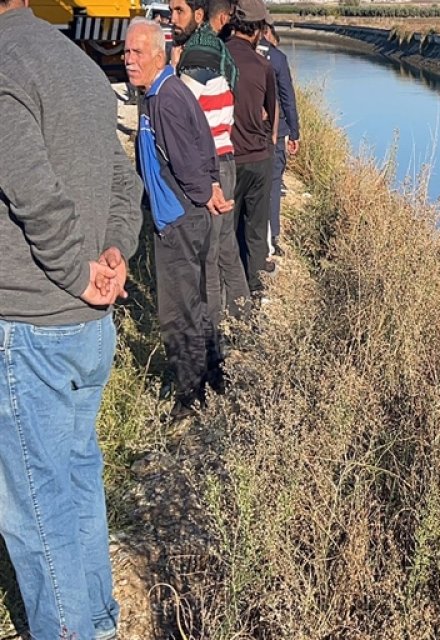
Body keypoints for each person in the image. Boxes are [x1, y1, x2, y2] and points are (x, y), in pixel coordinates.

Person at [0, 0, 142, 637]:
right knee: (77, 479)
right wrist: (115, 251)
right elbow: (123, 179)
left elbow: (32, 190)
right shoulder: (77, 63)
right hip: (87, 327)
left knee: (36, 509)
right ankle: (98, 621)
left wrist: (79, 270)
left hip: (29, 322)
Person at [125, 18, 231, 419]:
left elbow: (189, 159)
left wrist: (205, 193)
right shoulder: (162, 92)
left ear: (158, 55)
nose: (127, 59)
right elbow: (202, 146)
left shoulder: (166, 99)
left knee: (176, 310)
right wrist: (210, 189)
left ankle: (191, 394)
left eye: (136, 53)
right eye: (126, 51)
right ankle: (213, 373)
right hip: (185, 215)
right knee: (195, 301)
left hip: (179, 220)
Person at [171, 0, 250, 388]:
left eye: (178, 11)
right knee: (225, 251)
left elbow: (187, 130)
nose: (172, 19)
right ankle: (245, 328)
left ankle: (215, 352)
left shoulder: (192, 67)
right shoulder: (221, 57)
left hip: (210, 166)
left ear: (200, 15)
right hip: (227, 159)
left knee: (206, 261)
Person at [222, 0, 277, 297]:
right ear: (257, 30)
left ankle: (230, 299)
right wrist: (268, 144)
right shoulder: (263, 65)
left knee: (227, 232)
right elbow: (272, 112)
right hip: (258, 159)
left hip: (227, 160)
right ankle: (256, 295)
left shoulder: (218, 59)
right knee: (255, 232)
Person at [262, 23, 300, 257]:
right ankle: (273, 236)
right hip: (278, 130)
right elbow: (288, 97)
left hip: (246, 131)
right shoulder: (277, 59)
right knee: (274, 183)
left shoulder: (234, 53)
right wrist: (294, 132)